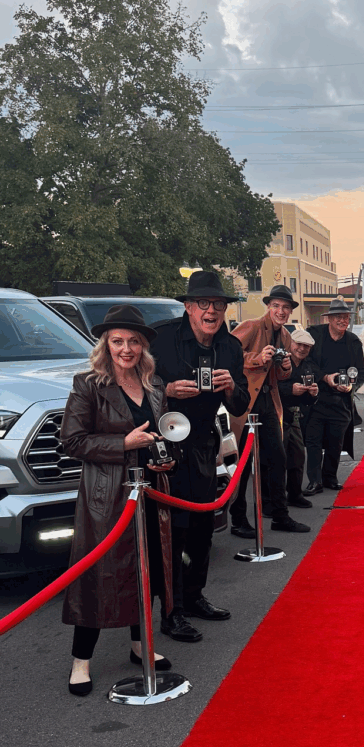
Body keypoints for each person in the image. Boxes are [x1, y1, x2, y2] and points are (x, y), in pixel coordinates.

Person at [60, 305, 175, 696]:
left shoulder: (154, 383)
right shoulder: (88, 384)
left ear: (143, 346)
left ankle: (139, 645)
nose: (126, 349)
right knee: (98, 576)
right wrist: (123, 443)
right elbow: (72, 442)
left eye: (134, 342)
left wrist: (165, 458)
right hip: (107, 497)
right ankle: (81, 661)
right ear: (105, 345)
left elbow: (161, 433)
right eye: (118, 341)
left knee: (147, 569)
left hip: (151, 490)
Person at [150, 271, 250, 642]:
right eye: (204, 304)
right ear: (189, 307)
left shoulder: (230, 347)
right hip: (166, 447)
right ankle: (170, 611)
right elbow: (132, 387)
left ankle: (194, 597)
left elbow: (241, 404)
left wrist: (231, 387)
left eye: (218, 305)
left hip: (206, 445)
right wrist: (166, 390)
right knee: (172, 533)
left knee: (202, 529)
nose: (212, 311)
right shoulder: (160, 339)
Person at [228, 285, 310, 537]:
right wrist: (257, 357)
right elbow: (228, 356)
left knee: (278, 458)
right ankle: (238, 519)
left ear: (290, 311)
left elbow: (283, 375)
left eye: (285, 307)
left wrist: (285, 366)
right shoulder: (251, 326)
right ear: (268, 307)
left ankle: (279, 515)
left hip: (269, 401)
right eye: (276, 306)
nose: (281, 311)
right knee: (243, 463)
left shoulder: (285, 335)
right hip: (246, 402)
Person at [304, 298, 364, 494]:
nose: (343, 321)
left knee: (336, 442)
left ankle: (330, 478)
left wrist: (351, 386)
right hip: (315, 398)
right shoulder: (314, 335)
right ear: (329, 319)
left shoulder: (353, 342)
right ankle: (315, 481)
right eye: (338, 317)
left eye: (346, 317)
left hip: (341, 401)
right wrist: (325, 377)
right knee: (313, 442)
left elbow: (362, 371)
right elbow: (306, 362)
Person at [277, 328, 320, 507]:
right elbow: (270, 387)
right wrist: (290, 390)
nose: (302, 349)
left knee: (298, 456)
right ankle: (276, 499)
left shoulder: (308, 366)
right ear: (290, 343)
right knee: (277, 459)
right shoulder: (279, 361)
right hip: (277, 415)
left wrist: (313, 394)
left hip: (295, 416)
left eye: (306, 346)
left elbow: (308, 401)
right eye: (299, 344)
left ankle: (294, 494)